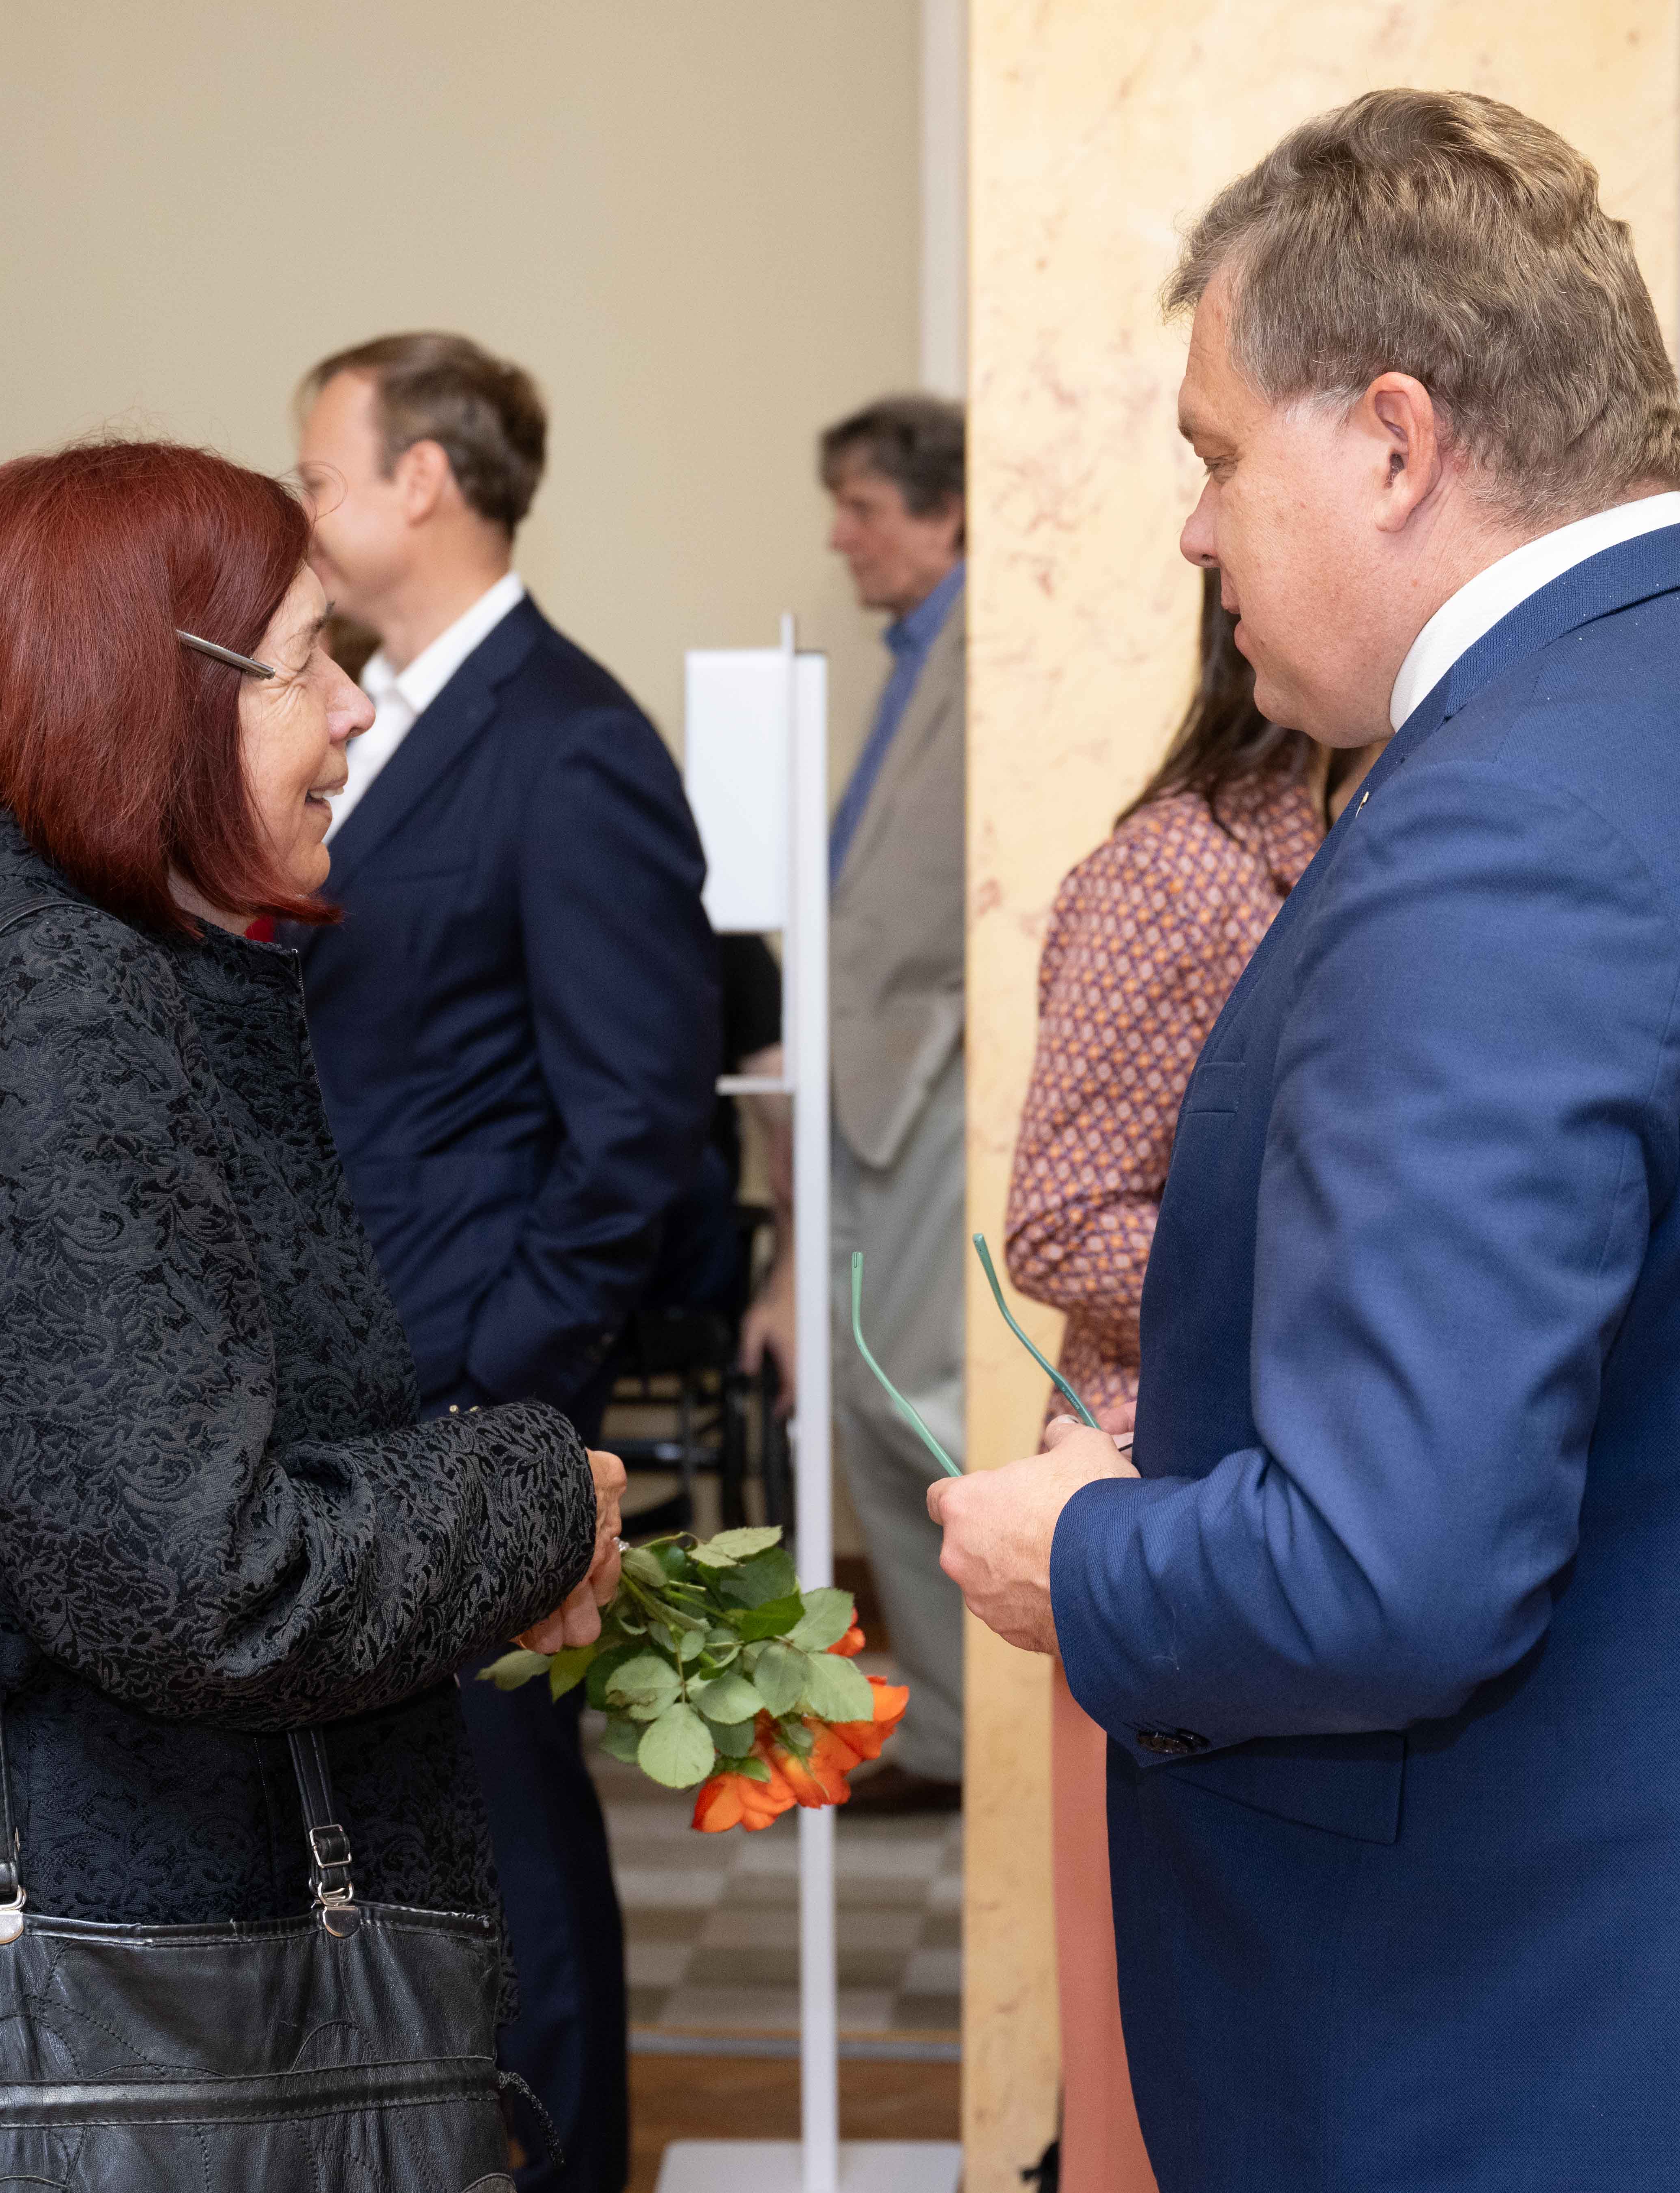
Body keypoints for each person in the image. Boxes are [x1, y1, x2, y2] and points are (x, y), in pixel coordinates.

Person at [931, 90, 1680, 2191]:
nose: (1192, 532)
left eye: (1213, 456)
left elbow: (1393, 1568)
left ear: (1391, 440)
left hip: (1547, 2049)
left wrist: (1074, 1551)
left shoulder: (1503, 830)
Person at [0, 438, 627, 2161]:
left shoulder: (23, 953)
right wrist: (532, 1493)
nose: (352, 710)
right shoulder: (66, 993)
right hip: (104, 2001)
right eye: (307, 659)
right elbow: (203, 1584)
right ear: (147, 692)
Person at [292, 331, 718, 2193]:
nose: (299, 508)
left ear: (423, 482)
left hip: (465, 1388)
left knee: (508, 1837)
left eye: (318, 474)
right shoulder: (370, 715)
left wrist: (503, 1374)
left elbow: (638, 1121)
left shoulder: (567, 737)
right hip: (352, 1391)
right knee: (405, 1833)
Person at [1001, 572, 1328, 2193]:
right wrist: (1332, 1287)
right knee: (1151, 2057)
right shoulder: (1168, 873)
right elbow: (1055, 1218)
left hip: (1320, 1517)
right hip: (1161, 1508)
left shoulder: (1398, 848)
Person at [773, 392, 970, 1814]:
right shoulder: (919, 654)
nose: (843, 538)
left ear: (946, 510)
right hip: (869, 1086)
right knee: (864, 1398)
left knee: (918, 1408)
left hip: (936, 1079)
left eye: (865, 508)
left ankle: (994, 1735)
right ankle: (956, 1735)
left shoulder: (992, 645)